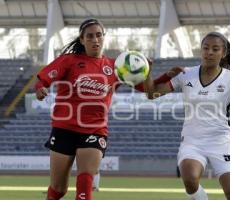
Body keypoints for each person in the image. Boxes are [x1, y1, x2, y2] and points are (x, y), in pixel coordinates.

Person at [35, 18, 182, 200]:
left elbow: (146, 89)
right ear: (82, 39)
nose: (95, 40)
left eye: (98, 35)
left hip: (95, 130)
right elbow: (43, 80)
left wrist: (162, 76)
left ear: (104, 37)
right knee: (58, 189)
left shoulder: (116, 67)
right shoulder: (69, 61)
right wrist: (40, 88)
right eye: (90, 36)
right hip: (64, 128)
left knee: (85, 183)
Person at [144, 32, 230, 200]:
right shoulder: (186, 74)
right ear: (201, 50)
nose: (209, 52)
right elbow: (152, 94)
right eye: (205, 48)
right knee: (190, 179)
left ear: (223, 54)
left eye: (215, 49)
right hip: (192, 140)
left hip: (221, 141)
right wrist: (146, 74)